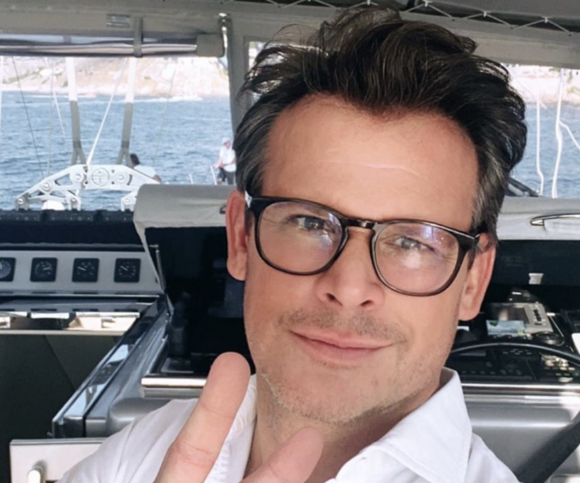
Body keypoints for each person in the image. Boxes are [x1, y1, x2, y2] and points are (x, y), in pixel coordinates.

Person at [61, 6, 527, 483]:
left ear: (473, 281)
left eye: (412, 242)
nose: (349, 287)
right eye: (309, 222)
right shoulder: (132, 460)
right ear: (241, 238)